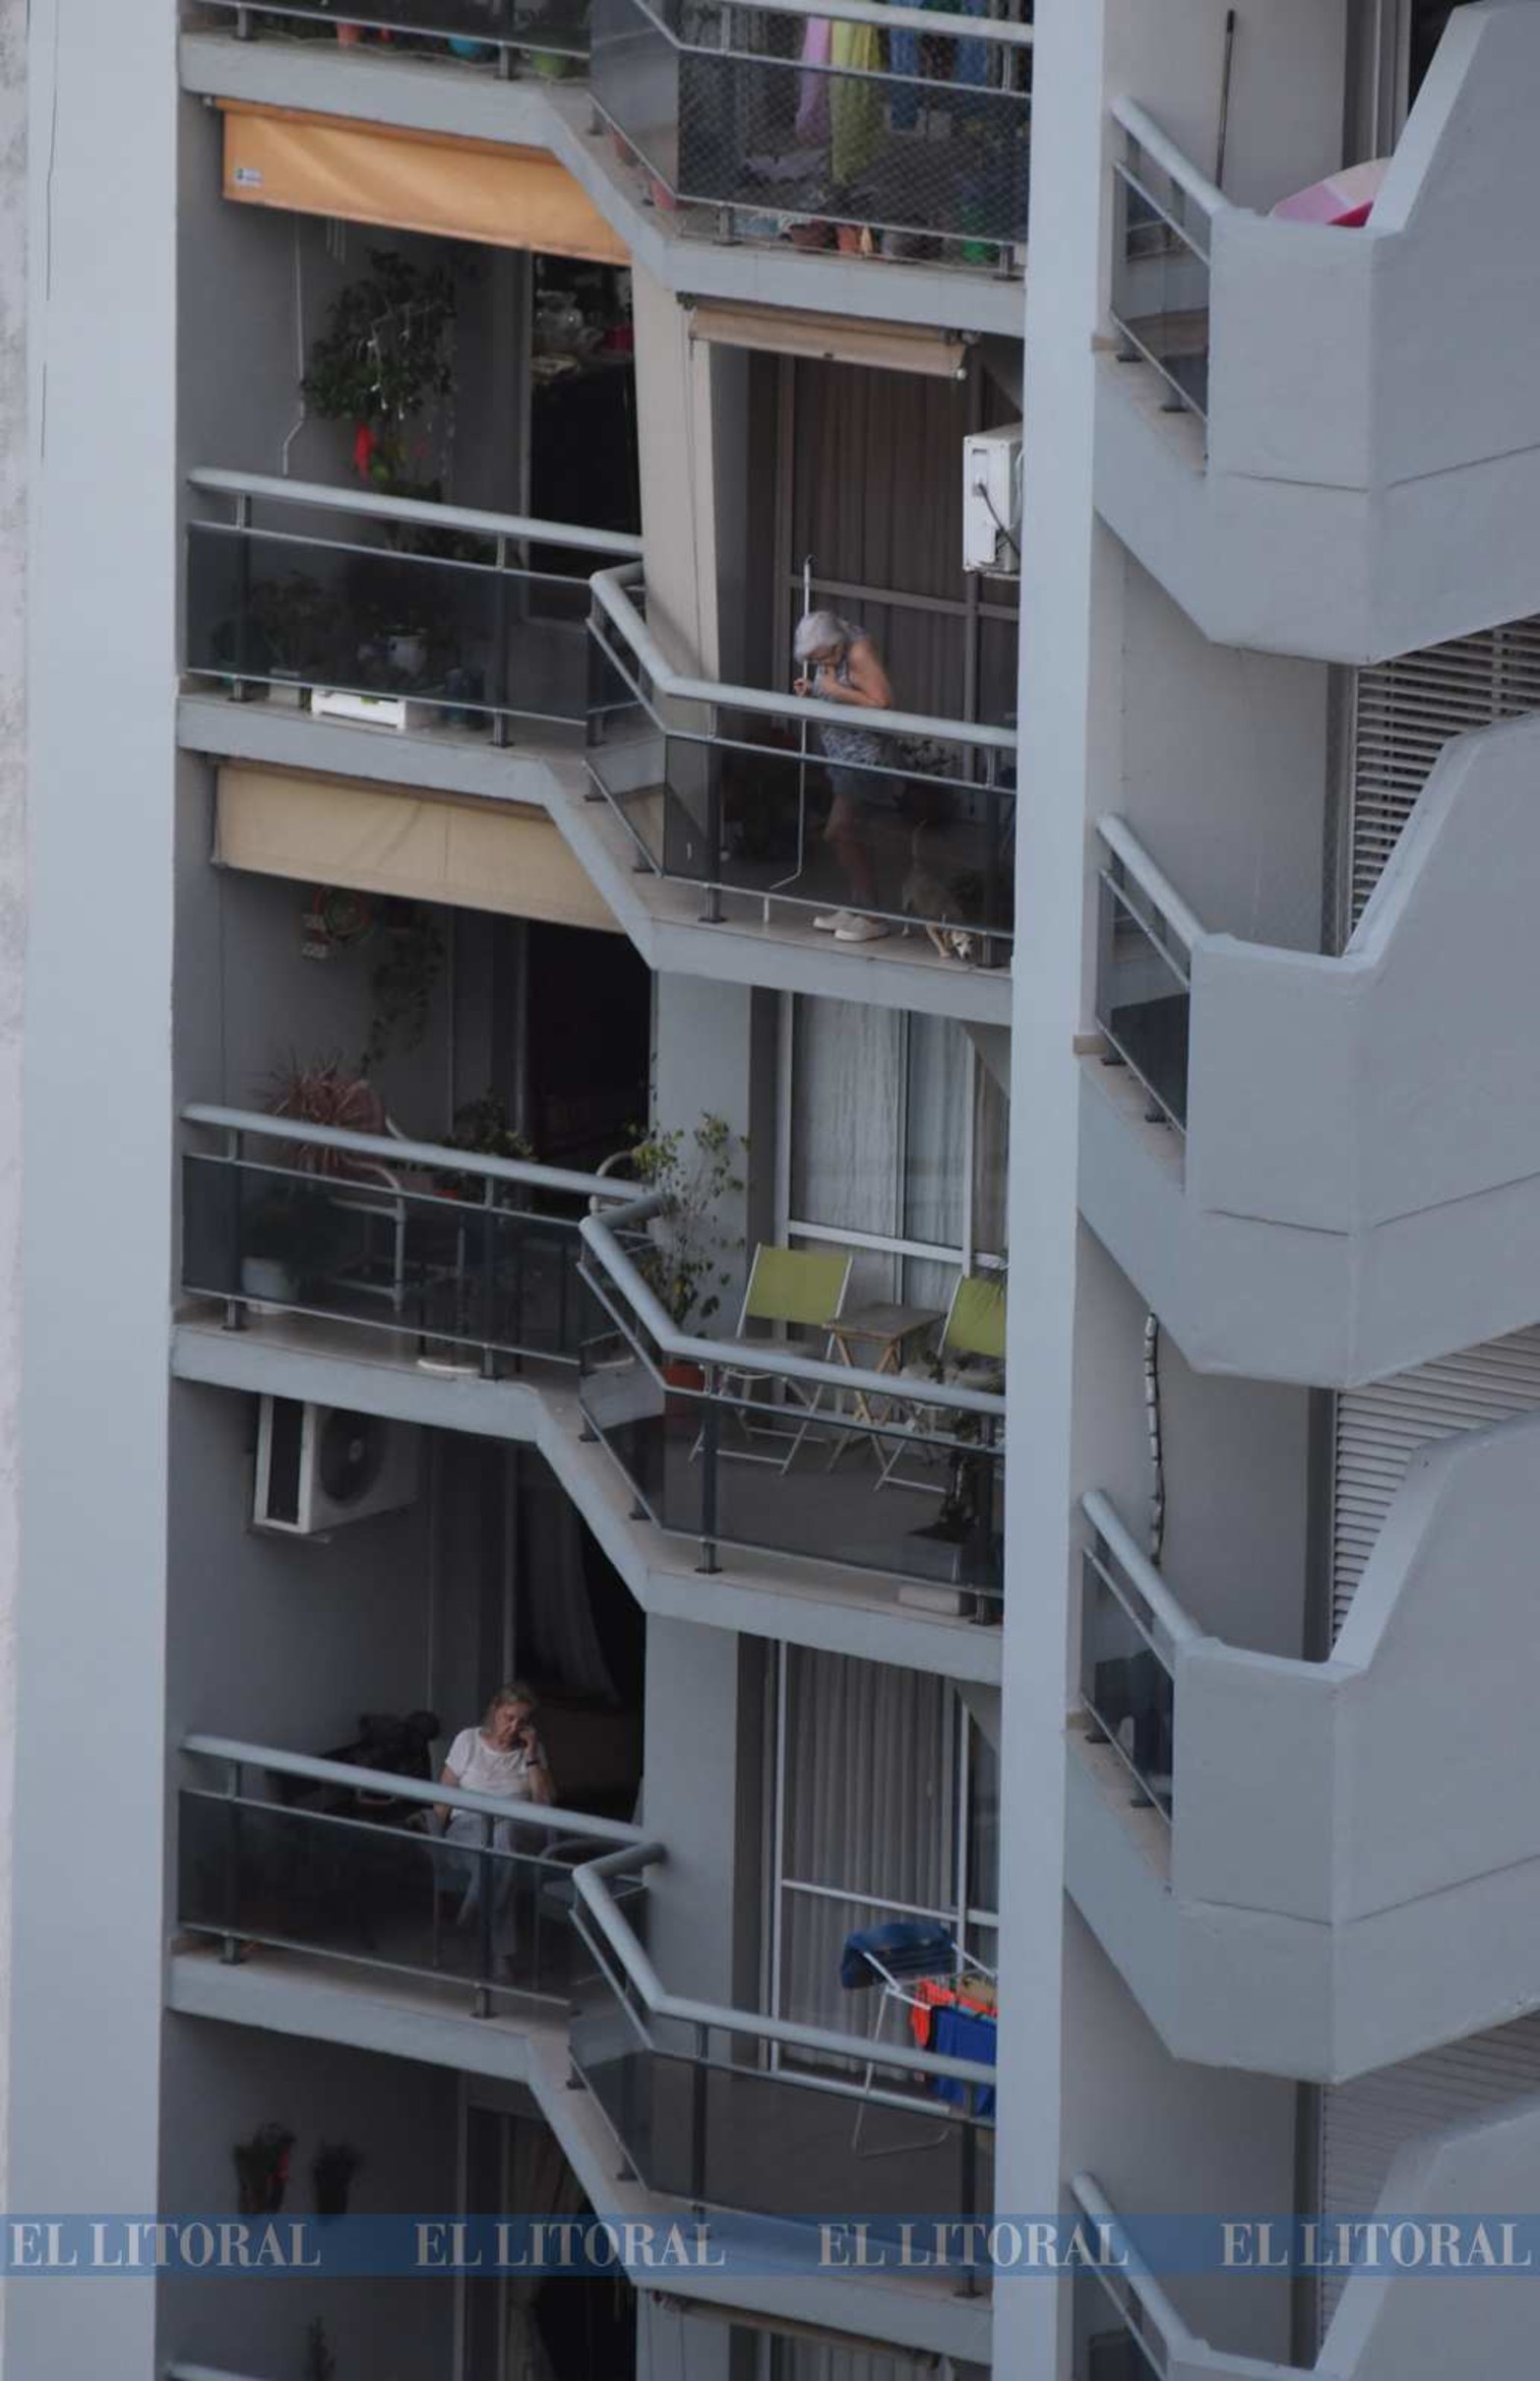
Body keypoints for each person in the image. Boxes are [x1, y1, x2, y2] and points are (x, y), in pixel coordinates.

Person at [793, 608, 895, 943]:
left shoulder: (859, 652)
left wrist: (833, 691)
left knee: (840, 831)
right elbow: (837, 688)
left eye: (821, 657)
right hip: (843, 756)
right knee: (849, 833)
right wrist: (815, 689)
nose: (819, 663)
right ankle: (857, 907)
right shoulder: (834, 650)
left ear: (836, 645)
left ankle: (873, 916)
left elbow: (882, 702)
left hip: (866, 759)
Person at [434, 1685, 556, 1958]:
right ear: (494, 1712)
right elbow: (442, 1797)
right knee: (496, 1857)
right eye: (508, 1717)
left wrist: (532, 1756)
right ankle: (499, 1956)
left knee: (505, 1835)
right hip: (470, 1827)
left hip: (518, 1828)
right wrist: (434, 1838)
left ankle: (471, 1911)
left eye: (522, 1721)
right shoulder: (467, 1740)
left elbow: (545, 1806)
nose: (514, 1727)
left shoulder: (533, 1752)